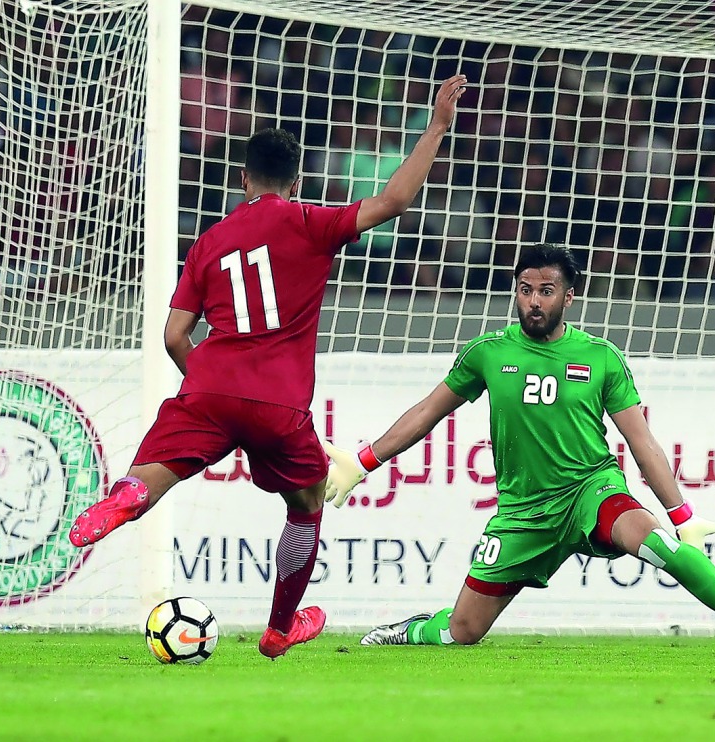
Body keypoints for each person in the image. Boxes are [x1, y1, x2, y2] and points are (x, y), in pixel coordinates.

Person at [68, 74, 468, 659]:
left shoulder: (209, 241)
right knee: (305, 505)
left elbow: (174, 334)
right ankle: (280, 628)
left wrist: (208, 381)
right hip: (280, 401)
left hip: (207, 387)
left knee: (152, 475)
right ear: (297, 181)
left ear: (242, 179)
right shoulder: (310, 222)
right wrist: (435, 127)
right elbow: (394, 202)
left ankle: (124, 497)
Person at [324, 243, 715, 650]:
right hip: (523, 512)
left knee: (657, 543)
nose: (533, 301)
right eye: (525, 289)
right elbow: (427, 412)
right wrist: (364, 461)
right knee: (461, 632)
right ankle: (411, 630)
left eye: (545, 291)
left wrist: (682, 515)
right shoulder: (488, 352)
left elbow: (641, 442)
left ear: (568, 297)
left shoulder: (600, 357)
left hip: (591, 490)